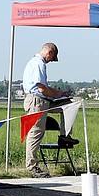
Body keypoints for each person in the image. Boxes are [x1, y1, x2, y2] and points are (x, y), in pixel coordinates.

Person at [22, 42, 76, 178]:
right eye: (52, 58)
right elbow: (42, 89)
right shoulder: (38, 63)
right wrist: (55, 95)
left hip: (43, 100)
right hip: (37, 101)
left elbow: (45, 88)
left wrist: (61, 94)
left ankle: (65, 136)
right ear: (49, 52)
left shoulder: (37, 63)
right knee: (36, 132)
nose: (50, 61)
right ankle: (31, 166)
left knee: (68, 105)